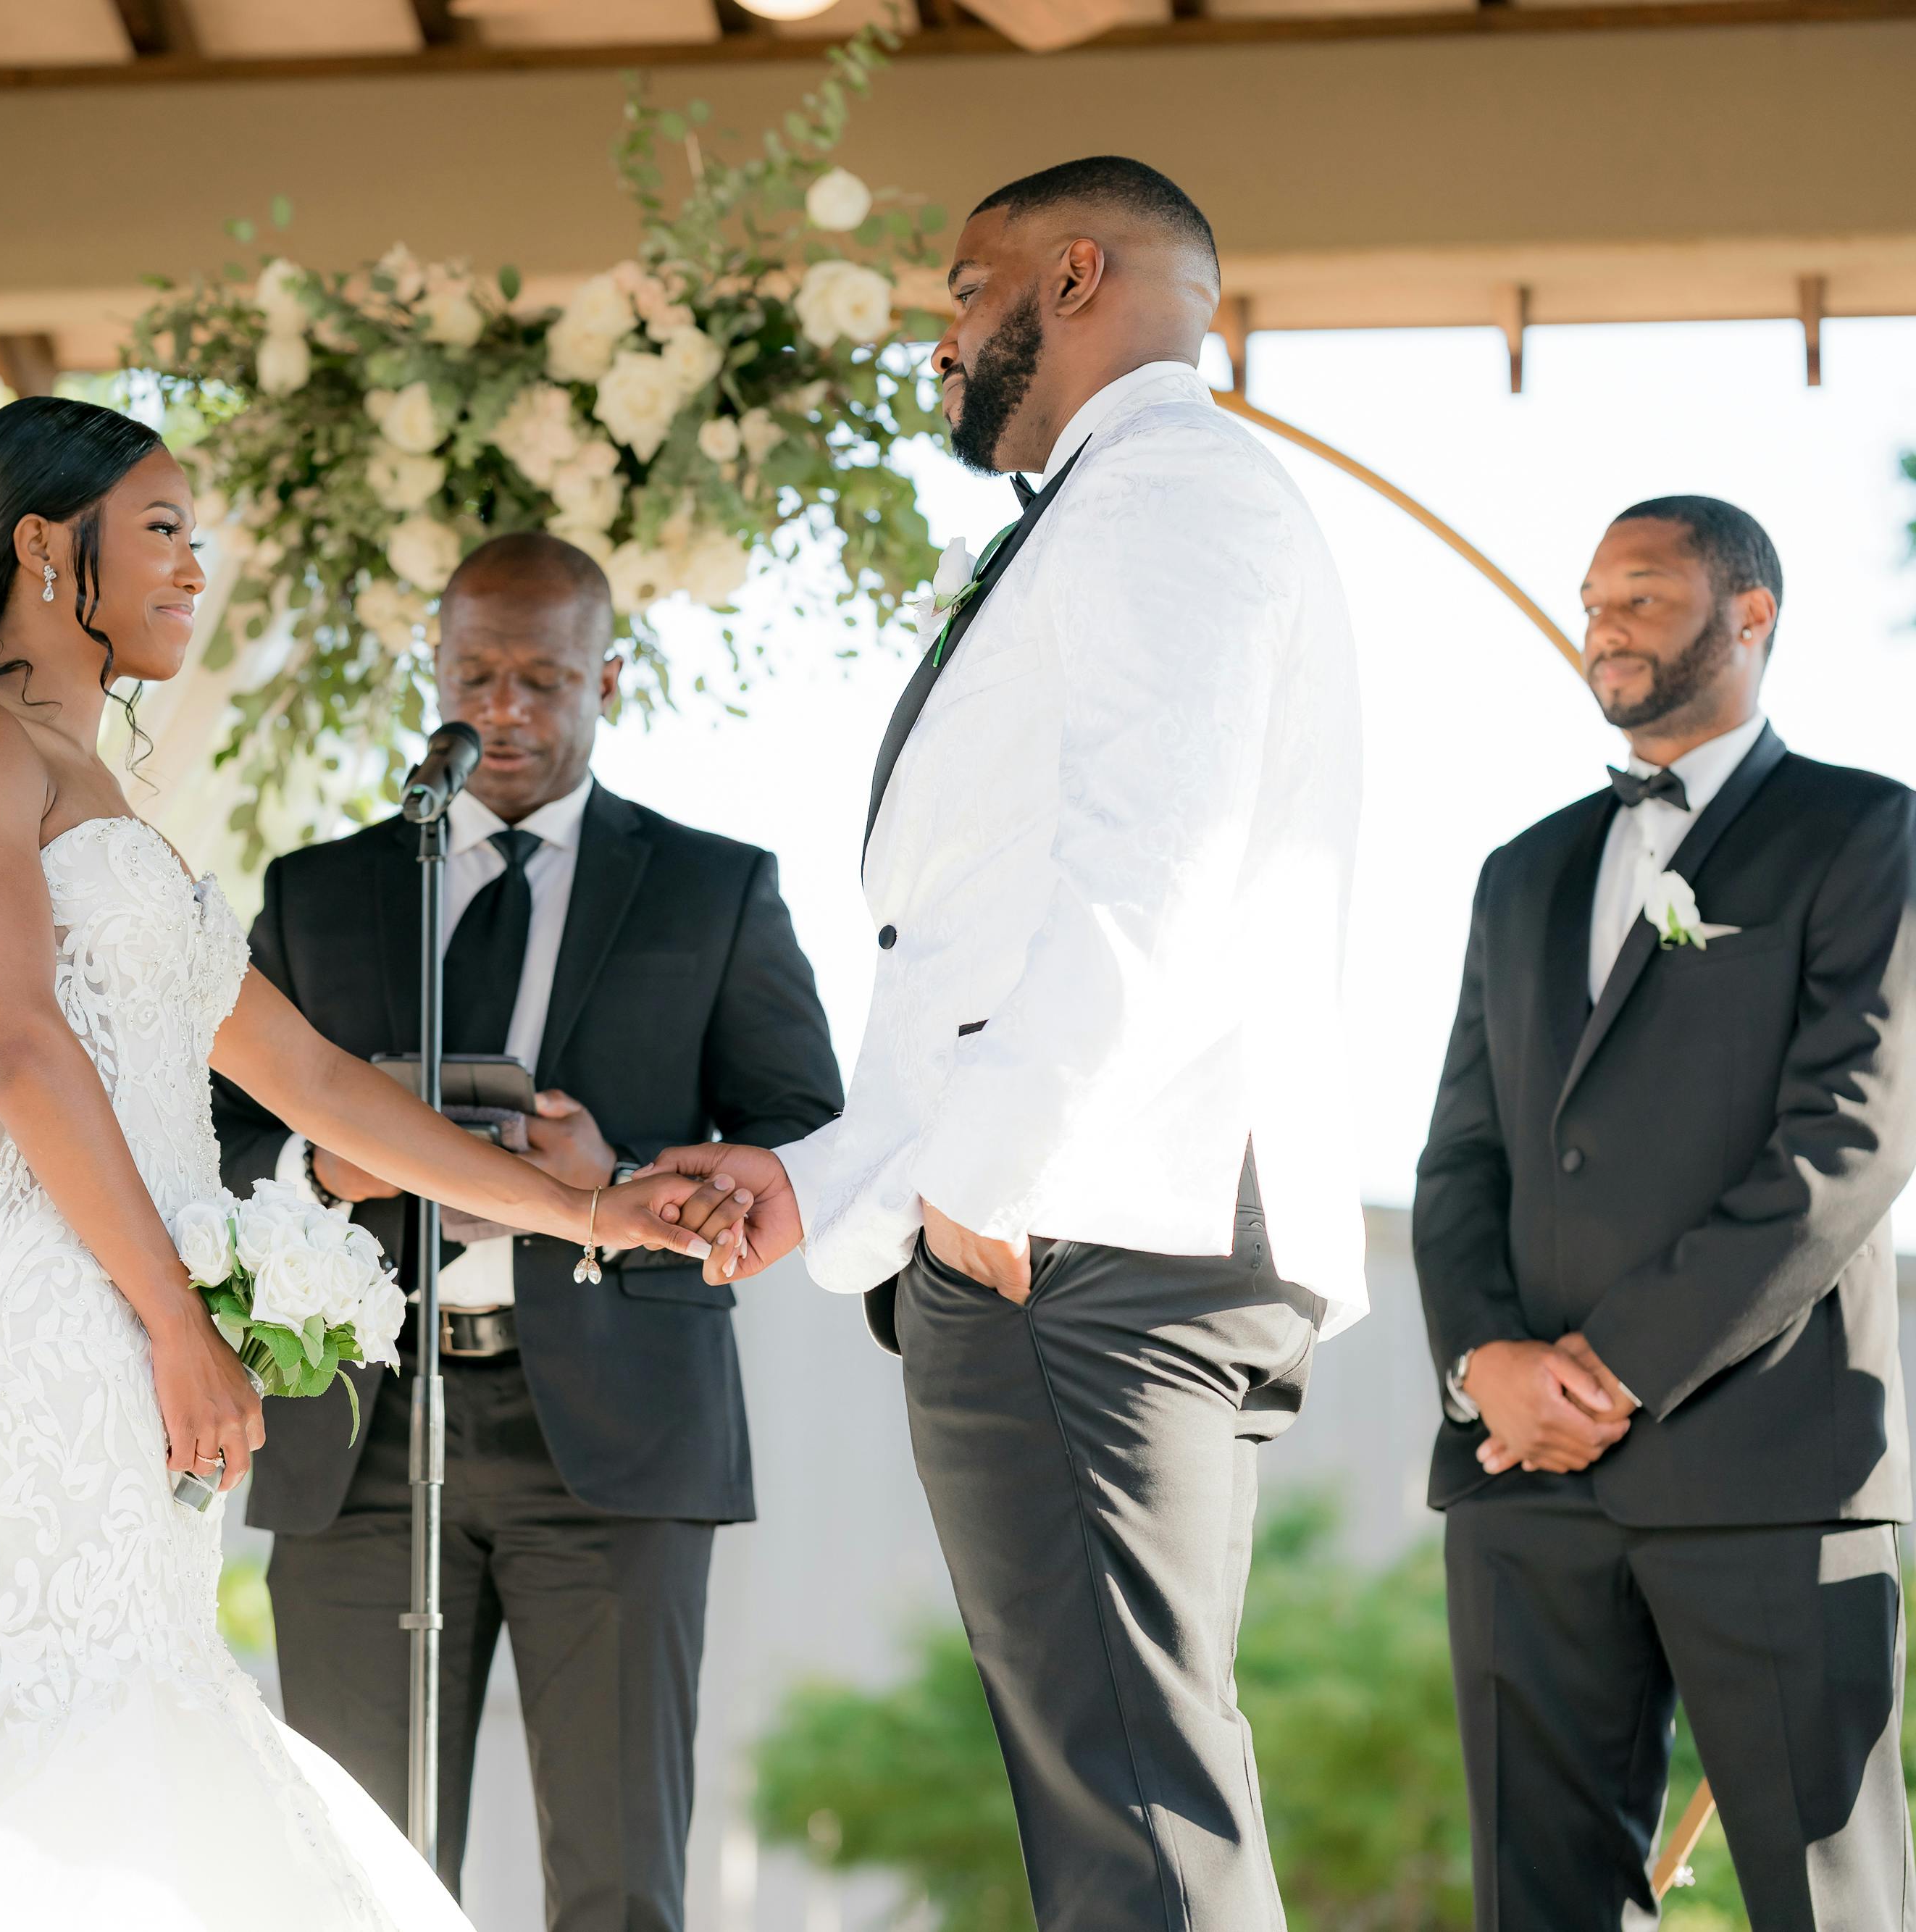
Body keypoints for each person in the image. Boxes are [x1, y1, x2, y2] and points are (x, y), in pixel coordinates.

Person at [0, 395, 727, 1932]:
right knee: (50, 1683)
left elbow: (311, 1076)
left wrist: (586, 1208)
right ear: (52, 546)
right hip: (31, 1292)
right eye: (168, 529)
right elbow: (15, 1046)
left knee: (130, 1677)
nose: (199, 565)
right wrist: (178, 1318)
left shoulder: (101, 783)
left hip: (120, 1288)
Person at [649, 156, 1368, 1931]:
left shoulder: (1169, 495)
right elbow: (978, 944)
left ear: (1074, 272)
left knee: (1128, 1801)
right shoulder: (1127, 502)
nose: (944, 335)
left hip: (1084, 1234)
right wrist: (830, 1179)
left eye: (963, 293)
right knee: (1125, 1779)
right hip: (1095, 1216)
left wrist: (981, 1187)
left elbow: (1152, 879)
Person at [213, 532, 842, 1930]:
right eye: (478, 674)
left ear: (608, 676)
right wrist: (329, 1164)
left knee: (619, 1880)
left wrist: (613, 1168)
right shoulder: (316, 895)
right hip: (360, 1432)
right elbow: (210, 1142)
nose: (505, 709)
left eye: (545, 678)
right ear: (431, 671)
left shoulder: (715, 889)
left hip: (615, 1442)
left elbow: (810, 1143)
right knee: (353, 1874)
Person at [1414, 498, 1916, 1928]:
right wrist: (1484, 1368)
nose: (1602, 624)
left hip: (1767, 1467)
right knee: (1539, 1901)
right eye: (1590, 598)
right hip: (1521, 1482)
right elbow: (1458, 1159)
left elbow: (1848, 1142)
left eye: (1639, 593)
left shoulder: (1861, 829)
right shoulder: (1518, 872)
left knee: (1829, 1900)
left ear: (1747, 616)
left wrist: (1610, 1371)